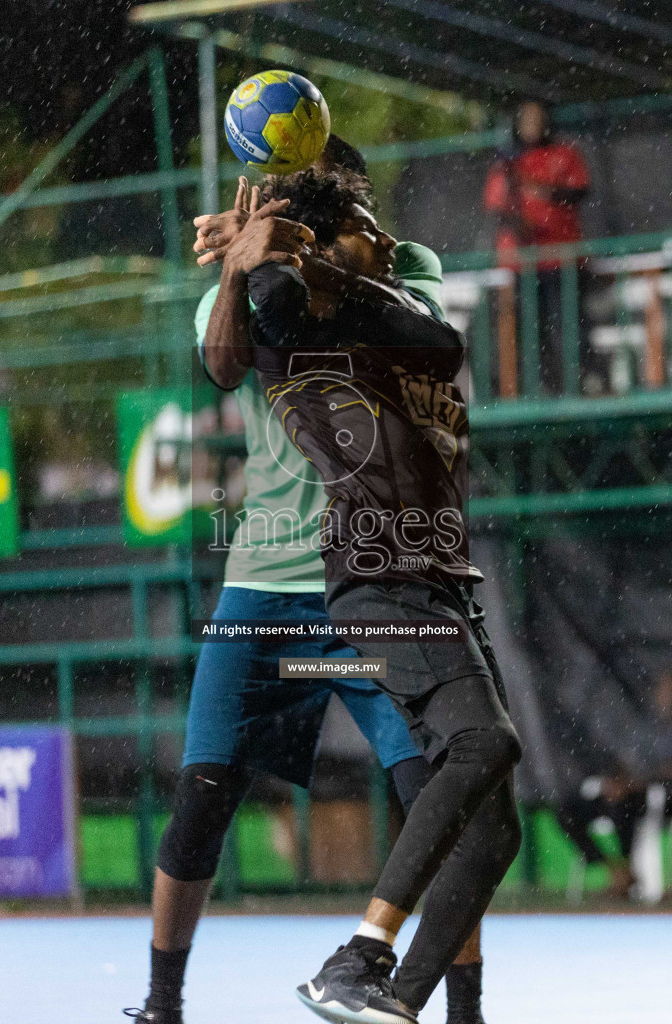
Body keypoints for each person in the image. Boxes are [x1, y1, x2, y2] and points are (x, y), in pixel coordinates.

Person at [123, 139, 490, 1024]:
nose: (339, 205)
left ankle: (465, 1013)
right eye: (310, 189)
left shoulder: (403, 270)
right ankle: (161, 1004)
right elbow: (220, 366)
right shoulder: (249, 273)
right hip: (264, 584)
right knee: (202, 794)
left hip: (375, 581)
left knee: (432, 798)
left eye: (344, 191)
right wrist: (251, 263)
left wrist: (296, 253)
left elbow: (419, 338)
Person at [247, 166, 522, 1024]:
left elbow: (440, 343)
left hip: (439, 584)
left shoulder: (388, 307)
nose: (391, 239)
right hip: (380, 581)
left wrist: (332, 262)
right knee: (482, 745)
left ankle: (395, 1003)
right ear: (328, 243)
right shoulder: (320, 326)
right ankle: (358, 955)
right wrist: (255, 258)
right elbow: (272, 307)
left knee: (496, 830)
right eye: (370, 223)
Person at [484, 101, 590, 394]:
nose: (532, 125)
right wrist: (520, 218)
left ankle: (576, 384)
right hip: (523, 264)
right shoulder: (506, 163)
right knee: (530, 330)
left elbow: (577, 191)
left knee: (569, 327)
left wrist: (543, 193)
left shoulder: (564, 154)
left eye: (537, 119)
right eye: (526, 119)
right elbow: (498, 208)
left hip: (562, 260)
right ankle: (540, 387)